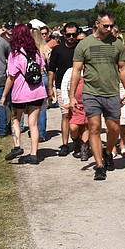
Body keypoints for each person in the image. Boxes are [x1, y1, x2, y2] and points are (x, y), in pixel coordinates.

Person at [69, 9, 125, 181]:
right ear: (97, 24)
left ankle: (108, 151)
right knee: (94, 128)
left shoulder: (117, 44)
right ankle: (99, 165)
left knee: (114, 128)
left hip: (111, 93)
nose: (109, 29)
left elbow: (123, 68)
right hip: (91, 93)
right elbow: (76, 71)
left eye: (111, 26)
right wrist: (72, 96)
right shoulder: (84, 44)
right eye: (105, 26)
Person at [0, 24, 48, 164]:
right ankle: (34, 154)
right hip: (37, 91)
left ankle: (17, 146)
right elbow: (41, 68)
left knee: (15, 118)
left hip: (20, 92)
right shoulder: (36, 52)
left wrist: (4, 95)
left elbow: (11, 77)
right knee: (33, 124)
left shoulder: (15, 54)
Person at [48, 22, 80, 157]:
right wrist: (50, 87)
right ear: (64, 34)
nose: (71, 37)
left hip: (80, 86)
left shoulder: (81, 48)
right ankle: (65, 144)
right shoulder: (57, 49)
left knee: (80, 115)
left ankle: (80, 142)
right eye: (68, 35)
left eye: (74, 35)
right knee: (65, 114)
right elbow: (51, 70)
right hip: (62, 86)